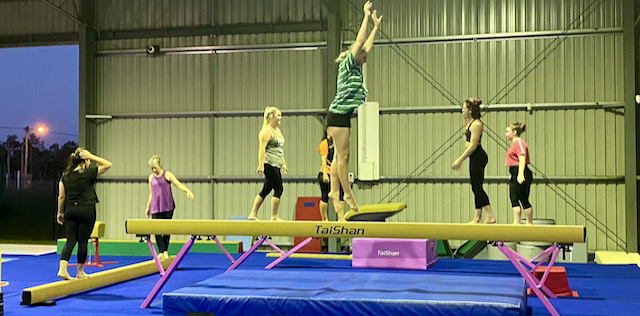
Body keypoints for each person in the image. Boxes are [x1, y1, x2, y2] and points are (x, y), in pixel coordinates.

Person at [327, 1, 382, 215]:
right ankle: (346, 193)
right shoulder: (349, 62)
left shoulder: (357, 65)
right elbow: (360, 41)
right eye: (363, 54)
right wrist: (366, 16)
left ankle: (333, 191)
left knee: (340, 157)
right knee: (345, 157)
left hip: (341, 115)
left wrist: (376, 27)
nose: (366, 56)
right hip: (338, 115)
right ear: (355, 53)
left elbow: (367, 44)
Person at [57, 148, 112, 280]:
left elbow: (61, 197)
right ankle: (80, 272)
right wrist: (92, 155)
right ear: (85, 161)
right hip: (86, 209)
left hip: (70, 210)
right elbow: (108, 164)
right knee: (83, 241)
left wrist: (60, 212)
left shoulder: (65, 176)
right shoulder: (88, 173)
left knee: (71, 240)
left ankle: (62, 269)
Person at [452, 98, 496, 224]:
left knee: (477, 188)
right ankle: (477, 217)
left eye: (464, 108)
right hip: (474, 157)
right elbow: (465, 121)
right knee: (475, 187)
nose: (462, 110)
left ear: (470, 111)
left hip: (478, 156)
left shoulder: (477, 124)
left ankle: (490, 216)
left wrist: (460, 160)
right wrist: (472, 101)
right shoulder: (469, 122)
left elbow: (473, 146)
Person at [145, 155, 194, 259]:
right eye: (152, 168)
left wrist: (187, 190)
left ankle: (165, 251)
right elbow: (151, 193)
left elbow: (178, 184)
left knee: (166, 229)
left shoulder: (167, 175)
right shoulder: (151, 178)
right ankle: (161, 252)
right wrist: (148, 208)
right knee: (156, 230)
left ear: (160, 165)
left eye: (155, 168)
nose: (154, 170)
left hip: (167, 206)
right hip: (155, 207)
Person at [248, 107, 288, 221]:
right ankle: (274, 216)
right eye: (278, 115)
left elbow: (280, 149)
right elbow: (262, 148)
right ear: (271, 117)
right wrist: (261, 164)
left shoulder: (277, 131)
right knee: (279, 189)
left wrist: (284, 164)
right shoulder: (266, 131)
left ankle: (253, 213)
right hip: (269, 164)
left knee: (266, 189)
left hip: (277, 164)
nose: (281, 118)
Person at [505, 122, 533, 225]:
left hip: (521, 171)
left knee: (521, 198)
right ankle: (517, 222)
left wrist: (520, 174)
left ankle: (528, 223)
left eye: (508, 131)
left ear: (515, 132)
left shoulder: (519, 143)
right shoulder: (515, 144)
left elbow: (522, 157)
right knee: (515, 198)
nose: (506, 134)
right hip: (515, 172)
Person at [318, 128, 345, 221]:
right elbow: (323, 159)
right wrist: (325, 174)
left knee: (341, 195)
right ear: (327, 132)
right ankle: (324, 219)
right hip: (326, 172)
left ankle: (341, 218)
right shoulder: (324, 143)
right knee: (325, 196)